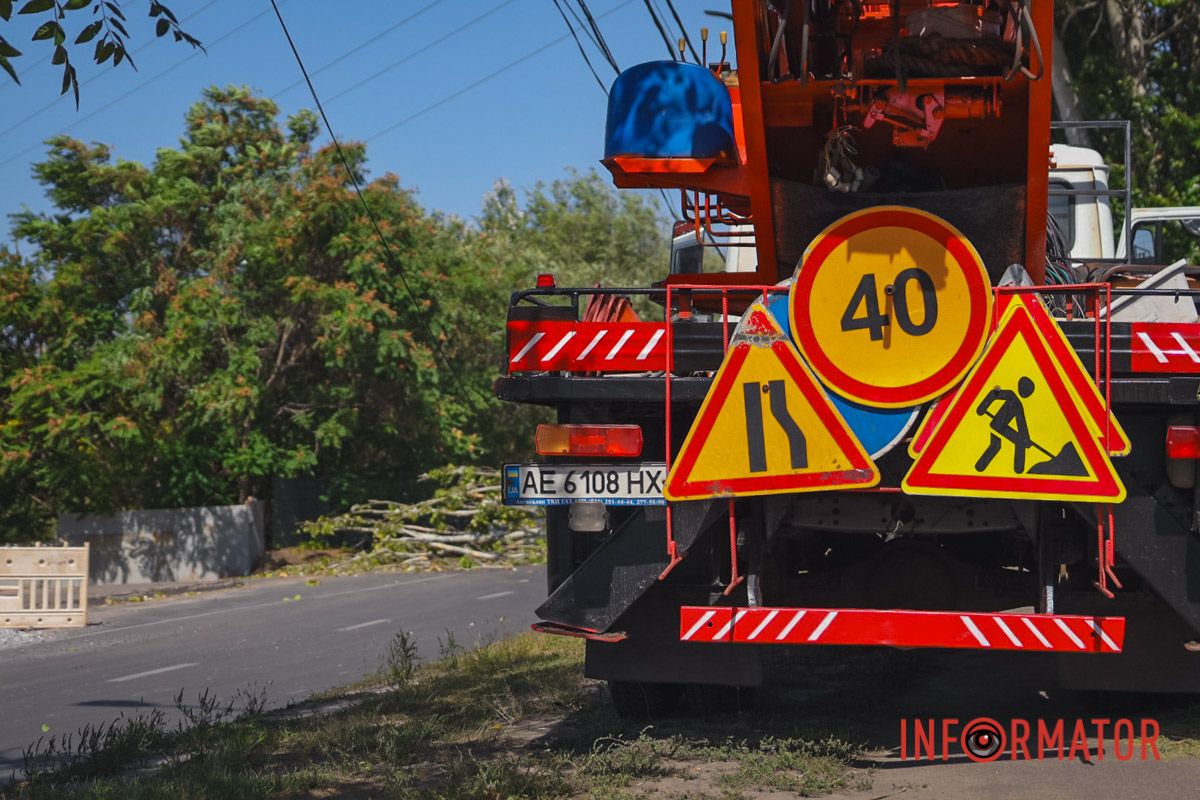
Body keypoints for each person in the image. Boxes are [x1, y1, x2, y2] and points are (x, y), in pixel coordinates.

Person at [974, 377, 1036, 473]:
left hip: (1002, 427)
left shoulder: (1018, 404)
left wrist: (1026, 439)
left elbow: (1021, 424)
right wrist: (981, 408)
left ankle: (1018, 470)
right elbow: (993, 394)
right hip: (997, 424)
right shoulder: (1011, 396)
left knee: (1019, 441)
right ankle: (1017, 469)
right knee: (997, 445)